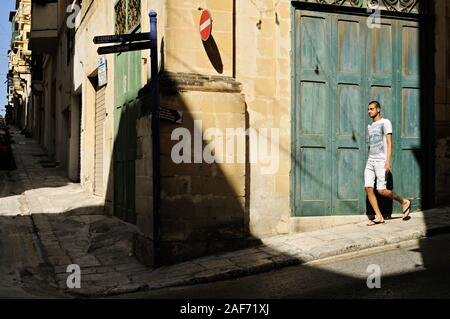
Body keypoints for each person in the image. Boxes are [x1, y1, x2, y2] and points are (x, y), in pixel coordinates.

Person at [364, 101, 411, 226]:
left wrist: (388, 161)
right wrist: (369, 158)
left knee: (381, 190)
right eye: (368, 109)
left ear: (378, 109)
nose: (369, 111)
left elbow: (389, 143)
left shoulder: (385, 122)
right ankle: (378, 216)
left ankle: (404, 202)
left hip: (381, 160)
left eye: (372, 109)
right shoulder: (370, 126)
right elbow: (372, 145)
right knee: (368, 188)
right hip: (371, 160)